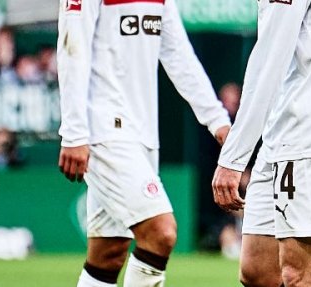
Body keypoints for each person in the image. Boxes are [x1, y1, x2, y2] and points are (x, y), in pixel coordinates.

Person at [55, 0, 232, 286]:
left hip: (143, 133)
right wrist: (74, 133)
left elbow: (179, 55)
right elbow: (71, 48)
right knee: (161, 233)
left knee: (108, 254)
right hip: (104, 130)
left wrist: (217, 120)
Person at [210, 0, 311, 286]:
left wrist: (233, 159)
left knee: (302, 275)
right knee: (257, 270)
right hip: (282, 130)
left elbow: (269, 61)